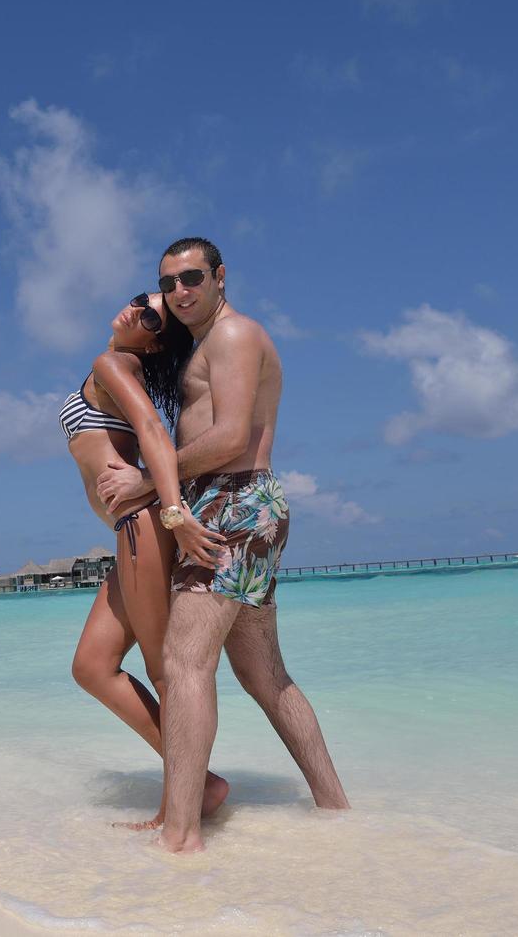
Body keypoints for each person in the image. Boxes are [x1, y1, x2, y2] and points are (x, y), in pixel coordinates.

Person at [98, 237, 350, 854]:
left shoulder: (235, 336)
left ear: (220, 277)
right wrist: (146, 317)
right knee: (266, 677)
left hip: (231, 503)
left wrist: (149, 479)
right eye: (169, 282)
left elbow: (232, 436)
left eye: (191, 278)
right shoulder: (207, 340)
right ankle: (338, 812)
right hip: (244, 507)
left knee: (185, 664)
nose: (180, 291)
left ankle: (181, 836)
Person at [64, 291, 229, 829]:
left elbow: (155, 433)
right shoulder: (118, 364)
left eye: (150, 315)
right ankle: (199, 783)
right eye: (141, 301)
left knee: (166, 672)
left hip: (143, 529)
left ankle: (181, 803)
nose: (136, 310)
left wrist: (176, 518)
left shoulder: (111, 363)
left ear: (156, 340)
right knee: (91, 667)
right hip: (131, 532)